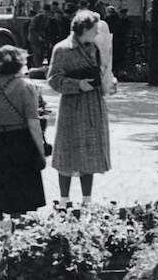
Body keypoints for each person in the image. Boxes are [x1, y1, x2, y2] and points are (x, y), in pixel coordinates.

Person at [47, 10, 112, 205]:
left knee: (89, 152)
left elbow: (102, 70)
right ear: (83, 29)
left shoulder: (95, 48)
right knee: (67, 152)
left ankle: (87, 199)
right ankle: (64, 199)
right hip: (72, 106)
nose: (96, 34)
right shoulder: (62, 49)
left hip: (93, 103)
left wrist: (108, 82)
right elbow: (53, 79)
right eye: (93, 30)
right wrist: (77, 85)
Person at [0, 45, 46, 220]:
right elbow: (33, 123)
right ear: (19, 63)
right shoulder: (26, 87)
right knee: (21, 203)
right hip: (20, 142)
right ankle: (19, 240)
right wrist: (41, 150)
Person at [28, 4, 52, 68]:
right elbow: (31, 29)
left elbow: (47, 30)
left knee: (42, 54)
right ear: (42, 11)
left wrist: (48, 40)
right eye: (45, 12)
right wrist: (38, 36)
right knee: (37, 53)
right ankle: (36, 68)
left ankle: (38, 66)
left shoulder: (47, 19)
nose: (46, 13)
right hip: (34, 38)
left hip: (42, 39)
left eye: (48, 12)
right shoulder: (37, 18)